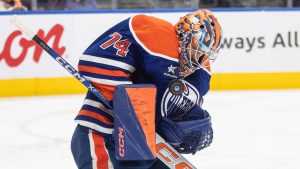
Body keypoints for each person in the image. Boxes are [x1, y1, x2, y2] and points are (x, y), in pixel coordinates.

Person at [71, 9, 222, 169]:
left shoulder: (200, 75)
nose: (198, 58)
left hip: (143, 151)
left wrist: (193, 124)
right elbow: (93, 62)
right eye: (196, 48)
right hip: (103, 132)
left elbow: (172, 113)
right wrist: (129, 105)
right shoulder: (156, 35)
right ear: (183, 35)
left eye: (205, 54)